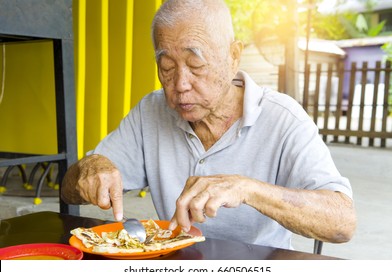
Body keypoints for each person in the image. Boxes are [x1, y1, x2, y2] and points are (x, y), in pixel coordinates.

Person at [61, 0, 356, 249]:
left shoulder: (283, 118)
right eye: (166, 68)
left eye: (196, 66)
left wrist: (248, 189)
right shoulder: (151, 111)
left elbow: (342, 222)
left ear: (233, 57)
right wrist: (88, 168)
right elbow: (67, 190)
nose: (180, 84)